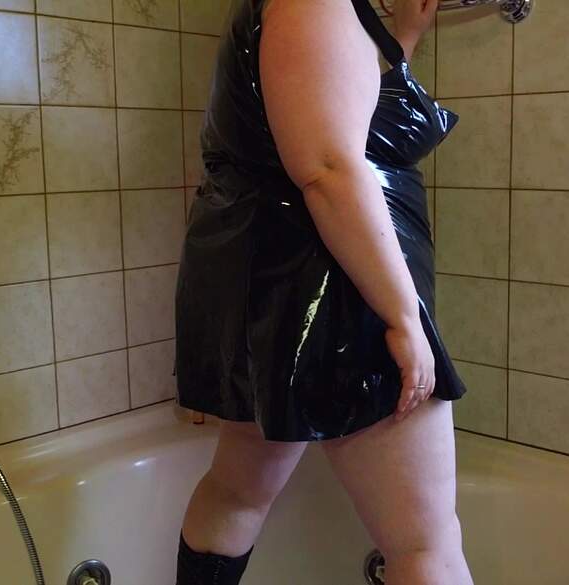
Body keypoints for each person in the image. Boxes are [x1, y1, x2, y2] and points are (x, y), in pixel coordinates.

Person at [172, 0, 472, 582]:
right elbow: (329, 170)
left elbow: (343, 122)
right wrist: (403, 318)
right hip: (340, 296)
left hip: (286, 294)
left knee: (238, 493)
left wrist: (402, 41)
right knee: (424, 545)